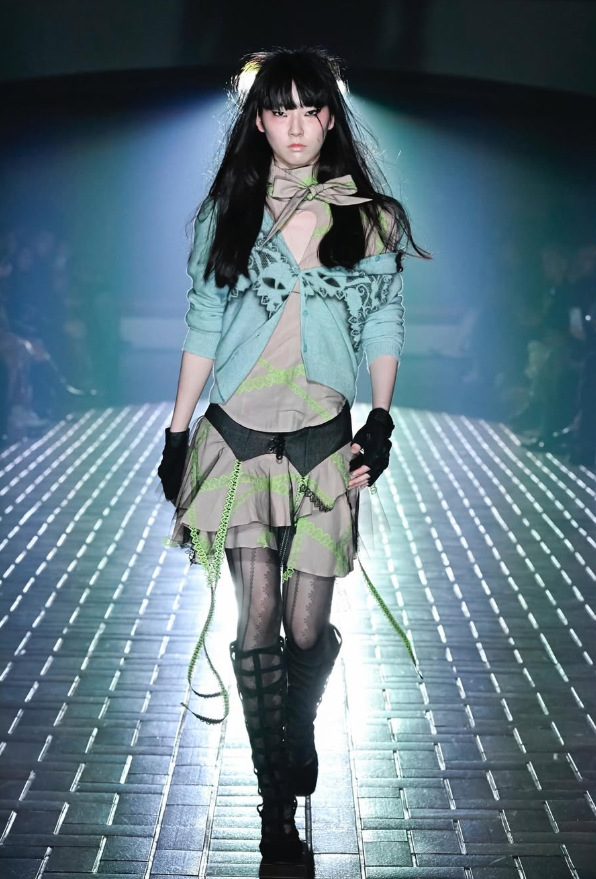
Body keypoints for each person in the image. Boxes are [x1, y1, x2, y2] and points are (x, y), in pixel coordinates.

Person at [157, 47, 431, 870]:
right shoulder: (231, 209)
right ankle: (275, 799)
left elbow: (383, 317)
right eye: (281, 110)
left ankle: (298, 720)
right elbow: (204, 319)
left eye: (312, 109)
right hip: (239, 438)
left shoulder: (369, 217)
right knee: (257, 624)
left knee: (306, 629)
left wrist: (380, 421)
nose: (298, 126)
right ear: (259, 121)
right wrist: (177, 433)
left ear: (332, 118)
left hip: (321, 440)